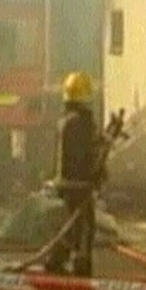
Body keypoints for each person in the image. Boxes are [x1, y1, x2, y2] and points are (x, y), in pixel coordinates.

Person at [44, 71, 99, 277]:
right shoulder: (80, 123)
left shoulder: (66, 121)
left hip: (67, 182)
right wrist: (95, 172)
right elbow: (84, 155)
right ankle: (81, 263)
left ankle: (56, 259)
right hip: (79, 183)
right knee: (85, 226)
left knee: (72, 224)